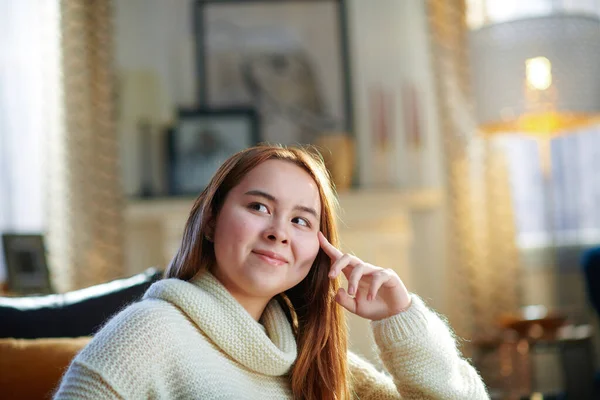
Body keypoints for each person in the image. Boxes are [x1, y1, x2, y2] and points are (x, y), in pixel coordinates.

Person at [54, 144, 489, 399]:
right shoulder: (148, 333)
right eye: (259, 207)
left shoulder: (311, 358)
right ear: (211, 220)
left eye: (301, 220)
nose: (279, 232)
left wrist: (402, 318)